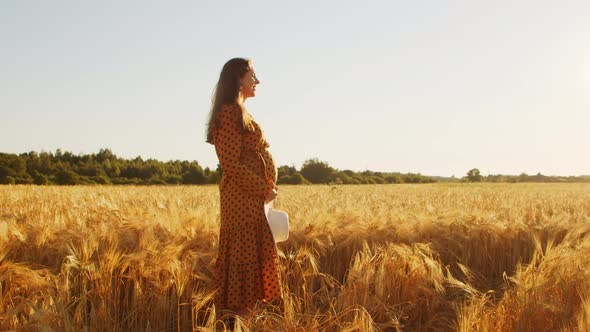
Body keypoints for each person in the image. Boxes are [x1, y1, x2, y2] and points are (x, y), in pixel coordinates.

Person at [206, 58, 282, 320]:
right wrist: (263, 188)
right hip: (242, 204)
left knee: (249, 280)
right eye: (252, 75)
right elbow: (230, 165)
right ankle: (237, 325)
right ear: (237, 79)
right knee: (243, 281)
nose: (257, 81)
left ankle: (239, 325)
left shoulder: (239, 111)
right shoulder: (228, 113)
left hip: (252, 203)